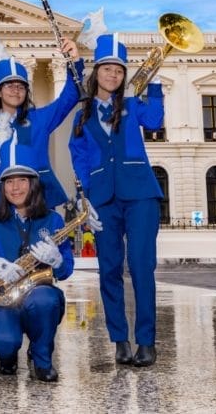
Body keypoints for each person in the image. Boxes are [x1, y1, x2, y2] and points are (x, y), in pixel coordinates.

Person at [68, 29, 164, 367]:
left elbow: (155, 120)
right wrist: (86, 196)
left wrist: (154, 83)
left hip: (140, 194)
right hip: (104, 199)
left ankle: (147, 342)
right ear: (97, 72)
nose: (113, 75)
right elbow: (78, 155)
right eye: (107, 69)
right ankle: (120, 340)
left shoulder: (133, 103)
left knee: (141, 266)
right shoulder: (82, 113)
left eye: (119, 70)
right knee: (108, 269)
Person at [0, 137, 74, 382]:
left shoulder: (53, 220)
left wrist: (57, 261)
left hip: (37, 295)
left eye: (22, 180)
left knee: (45, 300)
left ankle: (41, 358)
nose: (15, 188)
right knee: (4, 343)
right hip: (1, 297)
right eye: (9, 181)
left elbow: (66, 270)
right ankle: (8, 353)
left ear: (34, 184)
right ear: (2, 186)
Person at [0, 36, 84, 222]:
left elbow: (68, 98)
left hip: (41, 197)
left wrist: (74, 62)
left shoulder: (39, 119)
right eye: (10, 85)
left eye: (21, 86)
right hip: (3, 201)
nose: (16, 90)